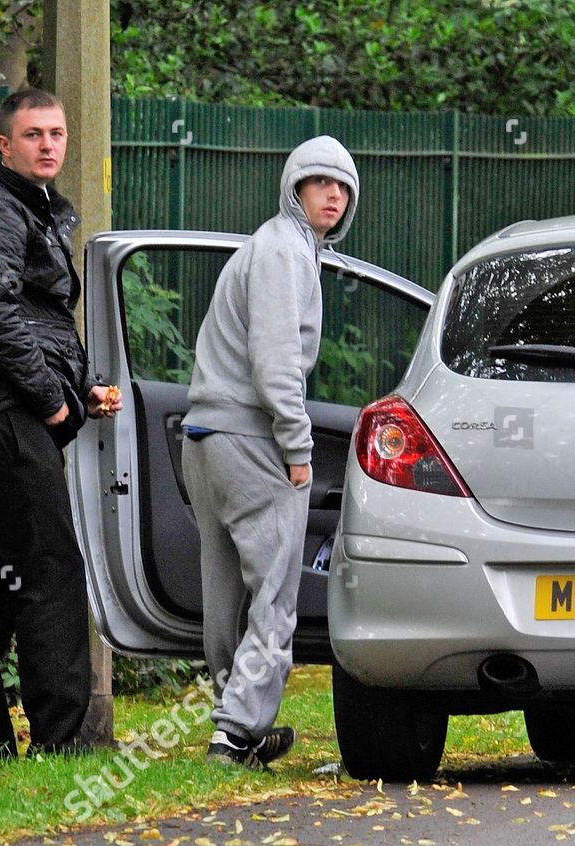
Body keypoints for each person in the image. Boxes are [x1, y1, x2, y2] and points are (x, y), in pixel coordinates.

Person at [0, 88, 122, 760]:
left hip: (6, 412)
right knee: (50, 569)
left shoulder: (32, 212)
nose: (49, 144)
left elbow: (37, 322)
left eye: (58, 133)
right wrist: (52, 400)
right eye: (34, 133)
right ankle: (66, 742)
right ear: (4, 145)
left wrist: (81, 391)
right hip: (4, 415)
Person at [181, 136, 359, 767]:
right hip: (253, 440)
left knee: (226, 591)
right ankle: (234, 731)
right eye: (319, 183)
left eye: (342, 187)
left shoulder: (264, 245)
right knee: (278, 594)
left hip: (203, 436)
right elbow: (276, 365)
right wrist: (298, 445)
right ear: (294, 190)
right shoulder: (286, 251)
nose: (332, 195)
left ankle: (238, 725)